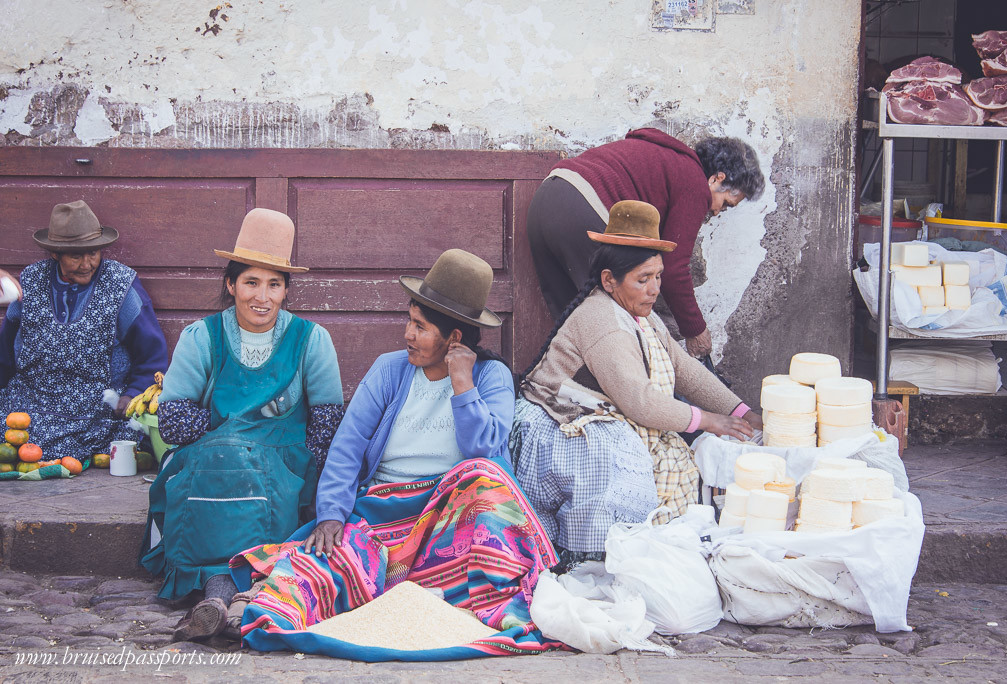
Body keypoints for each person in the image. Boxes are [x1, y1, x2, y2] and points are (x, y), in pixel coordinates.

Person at [226, 249, 559, 656]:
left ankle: (465, 594)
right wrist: (331, 514)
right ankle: (252, 608)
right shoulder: (390, 370)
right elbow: (347, 447)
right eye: (409, 320)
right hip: (382, 515)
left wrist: (462, 384)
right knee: (327, 564)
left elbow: (486, 453)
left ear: (454, 338)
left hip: (447, 521)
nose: (407, 334)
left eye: (420, 326)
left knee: (486, 481)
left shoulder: (491, 377)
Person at [512, 201, 763, 569]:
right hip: (560, 427)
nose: (654, 290)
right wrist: (708, 421)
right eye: (642, 280)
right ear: (609, 280)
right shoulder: (605, 322)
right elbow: (640, 401)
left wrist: (739, 411)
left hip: (606, 412)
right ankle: (594, 558)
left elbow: (686, 371)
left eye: (658, 277)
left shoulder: (641, 316)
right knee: (626, 465)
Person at [140, 208, 344, 641]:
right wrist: (227, 430)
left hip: (285, 465)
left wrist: (323, 495)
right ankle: (229, 601)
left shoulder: (312, 340)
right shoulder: (202, 336)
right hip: (212, 461)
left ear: (287, 290)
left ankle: (221, 600)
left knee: (253, 486)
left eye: (274, 284)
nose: (262, 297)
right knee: (222, 463)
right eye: (251, 282)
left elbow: (326, 427)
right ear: (231, 284)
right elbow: (173, 420)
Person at [526, 128, 765, 357]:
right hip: (583, 210)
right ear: (716, 179)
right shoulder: (693, 182)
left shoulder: (666, 159)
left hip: (545, 199)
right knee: (616, 323)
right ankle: (629, 394)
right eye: (725, 203)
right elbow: (674, 269)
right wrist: (695, 330)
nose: (716, 212)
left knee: (573, 321)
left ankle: (565, 390)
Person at [0, 201, 167, 461]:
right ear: (55, 254)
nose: (87, 263)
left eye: (94, 253)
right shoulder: (30, 282)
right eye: (76, 256)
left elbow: (151, 354)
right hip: (31, 404)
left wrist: (133, 394)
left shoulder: (120, 285)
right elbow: (6, 352)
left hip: (95, 412)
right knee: (13, 439)